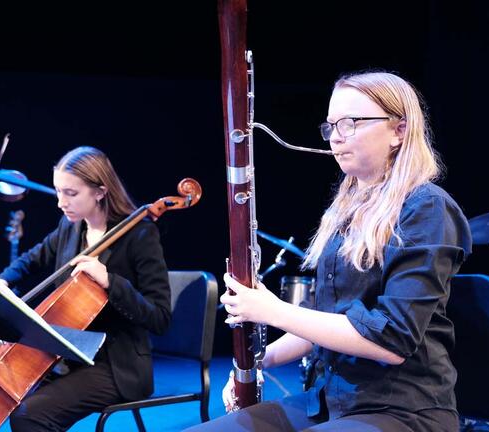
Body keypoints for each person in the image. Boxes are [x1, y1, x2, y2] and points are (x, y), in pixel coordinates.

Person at [186, 71, 472, 432]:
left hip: (402, 410)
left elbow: (392, 340)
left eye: (351, 123)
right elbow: (323, 316)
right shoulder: (346, 211)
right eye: (332, 124)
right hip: (327, 402)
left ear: (399, 131)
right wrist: (258, 363)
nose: (336, 136)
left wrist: (274, 310)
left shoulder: (426, 208)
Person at [0, 146, 171, 431]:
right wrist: (2, 281)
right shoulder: (70, 227)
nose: (60, 202)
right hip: (69, 355)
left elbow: (160, 317)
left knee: (29, 416)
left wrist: (110, 281)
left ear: (100, 192)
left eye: (71, 193)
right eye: (58, 191)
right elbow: (32, 258)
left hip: (116, 366)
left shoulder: (140, 235)